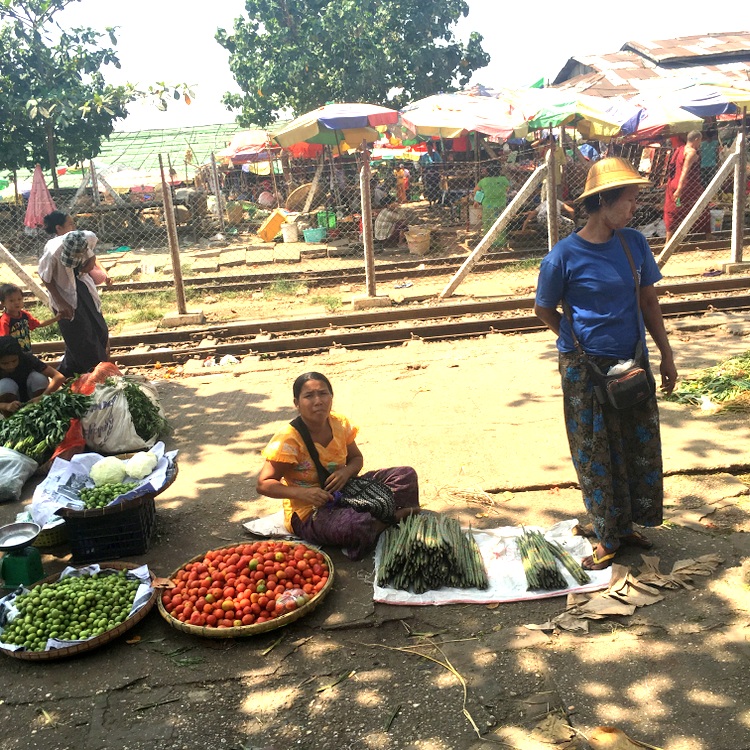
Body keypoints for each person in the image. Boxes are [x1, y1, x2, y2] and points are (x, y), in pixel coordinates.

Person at [533, 157, 677, 570]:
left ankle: (627, 523)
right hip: (585, 370)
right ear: (602, 202)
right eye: (629, 200)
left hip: (632, 361)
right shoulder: (562, 256)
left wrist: (666, 355)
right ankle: (607, 532)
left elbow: (648, 300)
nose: (635, 209)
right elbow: (543, 308)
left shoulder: (634, 244)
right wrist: (575, 341)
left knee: (636, 445)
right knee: (596, 452)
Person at [256, 372, 420, 560]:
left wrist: (346, 472)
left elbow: (356, 458)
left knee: (405, 475)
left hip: (346, 490)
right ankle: (393, 517)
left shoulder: (340, 424)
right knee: (353, 526)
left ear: (331, 397)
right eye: (309, 396)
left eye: (323, 393)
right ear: (297, 403)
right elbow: (263, 484)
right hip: (311, 510)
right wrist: (303, 493)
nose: (318, 401)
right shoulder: (288, 439)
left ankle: (376, 519)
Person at [38, 213, 110, 378]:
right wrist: (61, 302)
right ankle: (95, 376)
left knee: (99, 330)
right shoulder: (53, 252)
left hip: (83, 288)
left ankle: (67, 373)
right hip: (63, 291)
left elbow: (91, 255)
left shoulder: (88, 238)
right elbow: (45, 277)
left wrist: (90, 263)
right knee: (80, 336)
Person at [664, 130, 710, 243]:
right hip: (687, 187)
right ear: (696, 140)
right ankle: (708, 236)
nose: (700, 144)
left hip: (673, 185)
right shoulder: (692, 153)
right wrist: (680, 189)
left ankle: (668, 240)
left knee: (673, 211)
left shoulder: (681, 149)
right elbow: (685, 171)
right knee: (702, 208)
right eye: (700, 141)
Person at [0, 336, 65, 416]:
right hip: (11, 403)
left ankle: (40, 413)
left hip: (32, 396)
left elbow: (59, 377)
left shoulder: (27, 359)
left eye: (14, 361)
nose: (11, 366)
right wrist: (6, 406)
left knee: (38, 378)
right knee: (5, 385)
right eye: (5, 363)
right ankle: (11, 417)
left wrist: (43, 396)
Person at [0, 283, 59, 353]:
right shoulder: (5, 321)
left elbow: (39, 324)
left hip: (27, 351)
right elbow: (4, 340)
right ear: (3, 303)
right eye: (11, 301)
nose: (16, 302)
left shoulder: (25, 315)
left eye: (19, 299)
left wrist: (56, 318)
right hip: (13, 355)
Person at [474, 161, 511, 247]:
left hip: (488, 206)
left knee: (488, 224)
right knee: (500, 223)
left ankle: (488, 243)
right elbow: (507, 189)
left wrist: (478, 198)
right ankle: (501, 242)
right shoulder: (503, 179)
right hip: (501, 205)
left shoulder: (484, 181)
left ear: (487, 171)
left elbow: (476, 190)